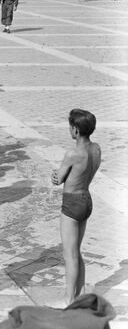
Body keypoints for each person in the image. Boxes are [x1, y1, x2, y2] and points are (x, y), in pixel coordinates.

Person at [51, 109, 101, 305]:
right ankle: (79, 295)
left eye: (71, 127)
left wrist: (55, 176)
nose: (70, 130)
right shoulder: (96, 149)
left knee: (69, 255)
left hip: (71, 202)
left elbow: (59, 178)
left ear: (76, 130)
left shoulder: (73, 153)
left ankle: (68, 299)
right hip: (86, 199)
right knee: (77, 252)